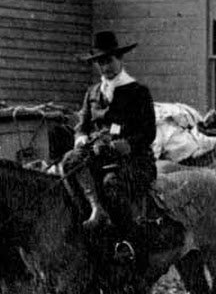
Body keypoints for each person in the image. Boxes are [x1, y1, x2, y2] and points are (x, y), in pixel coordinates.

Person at [66, 30, 157, 252]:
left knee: (111, 185)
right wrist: (81, 139)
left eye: (108, 61)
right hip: (97, 153)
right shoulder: (93, 92)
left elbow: (148, 132)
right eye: (100, 63)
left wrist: (129, 144)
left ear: (120, 59)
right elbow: (82, 125)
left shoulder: (137, 91)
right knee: (68, 163)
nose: (105, 67)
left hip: (132, 159)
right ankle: (95, 211)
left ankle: (128, 241)